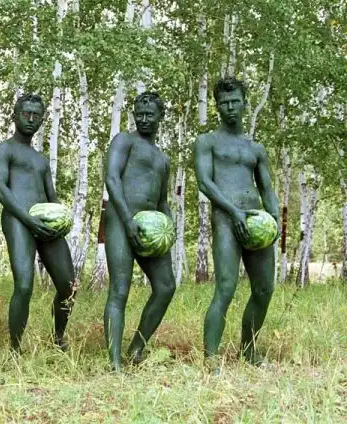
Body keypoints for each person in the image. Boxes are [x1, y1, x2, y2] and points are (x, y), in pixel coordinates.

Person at [194, 77, 280, 371]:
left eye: (235, 102)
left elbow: (267, 189)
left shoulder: (256, 148)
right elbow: (205, 182)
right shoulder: (207, 142)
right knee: (226, 287)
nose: (230, 107)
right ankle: (211, 359)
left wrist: (274, 221)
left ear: (245, 103)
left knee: (264, 289)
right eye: (224, 103)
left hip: (256, 221)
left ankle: (249, 351)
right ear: (217, 107)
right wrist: (233, 212)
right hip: (226, 219)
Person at [0, 94, 75, 354]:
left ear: (41, 120)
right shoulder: (4, 150)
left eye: (36, 115)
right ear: (15, 115)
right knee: (24, 285)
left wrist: (62, 220)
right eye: (26, 113)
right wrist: (28, 219)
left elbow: (52, 197)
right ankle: (15, 349)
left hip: (46, 223)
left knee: (68, 286)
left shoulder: (41, 160)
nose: (30, 119)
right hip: (18, 219)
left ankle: (58, 338)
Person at [103, 91, 176, 372]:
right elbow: (112, 178)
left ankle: (136, 348)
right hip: (121, 220)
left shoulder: (163, 158)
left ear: (161, 117)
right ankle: (114, 362)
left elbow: (162, 201)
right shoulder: (124, 140)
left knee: (166, 287)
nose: (144, 119)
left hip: (150, 227)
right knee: (120, 289)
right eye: (139, 114)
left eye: (150, 115)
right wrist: (127, 220)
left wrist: (168, 228)